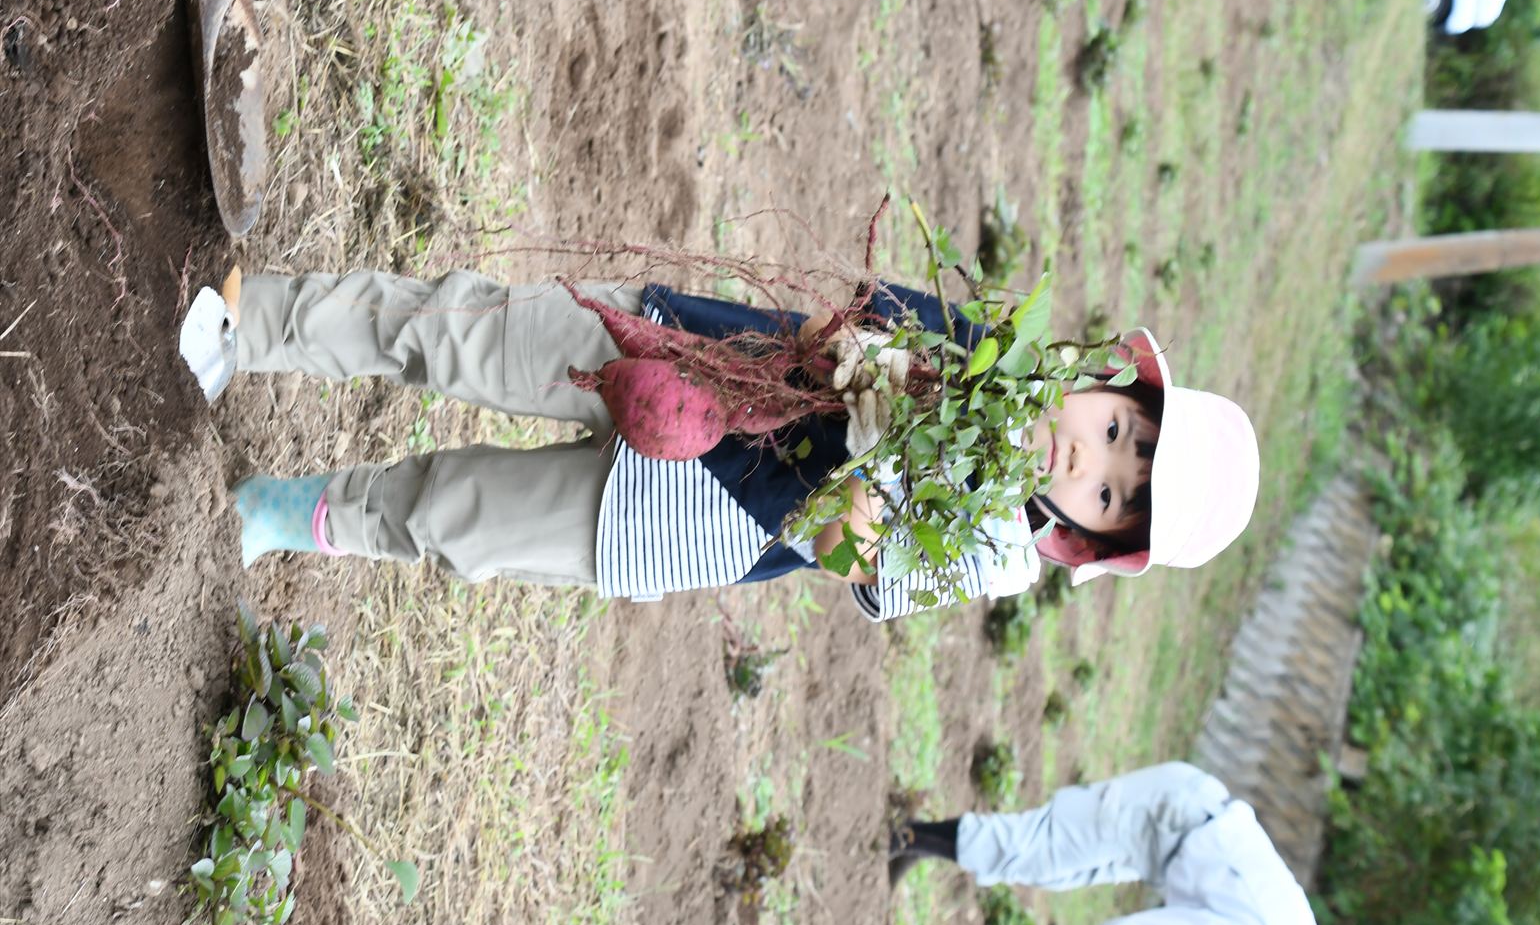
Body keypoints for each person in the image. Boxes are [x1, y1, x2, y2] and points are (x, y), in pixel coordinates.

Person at [177, 267, 1259, 615]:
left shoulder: (991, 553)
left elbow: (862, 564)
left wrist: (862, 501)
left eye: (1110, 494)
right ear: (1100, 382)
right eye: (1116, 432)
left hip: (684, 521)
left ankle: (286, 511)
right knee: (468, 337)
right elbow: (867, 310)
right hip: (688, 361)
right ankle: (252, 321)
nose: (1090, 463)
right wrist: (877, 369)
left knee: (457, 523)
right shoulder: (979, 349)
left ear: (1083, 536)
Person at [889, 762, 1325, 925]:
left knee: (1054, 870)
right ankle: (903, 837)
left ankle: (916, 842)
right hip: (1167, 816)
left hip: (1172, 840)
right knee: (1039, 851)